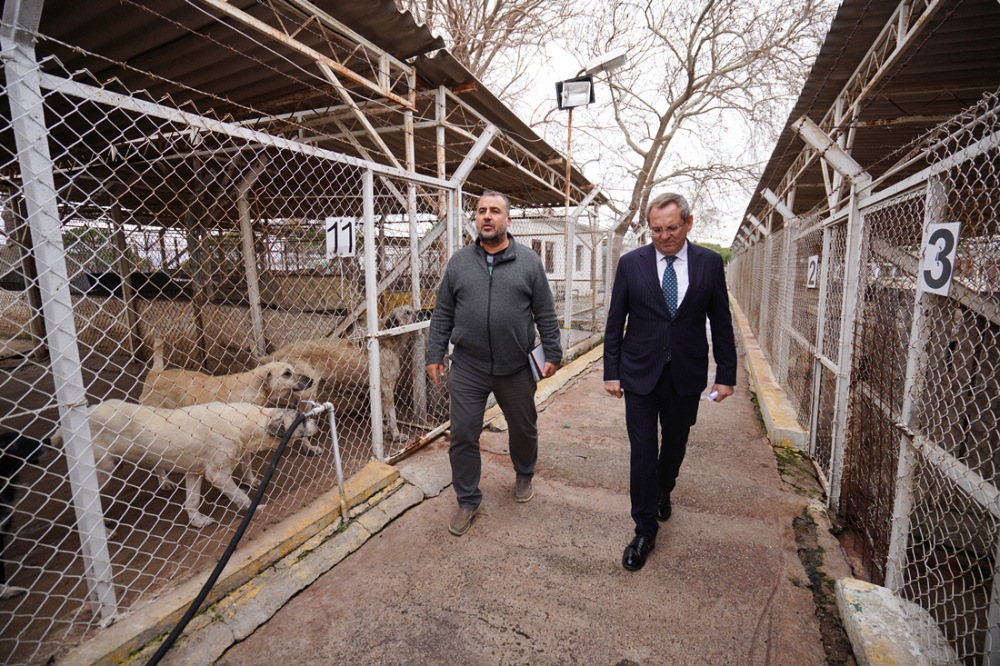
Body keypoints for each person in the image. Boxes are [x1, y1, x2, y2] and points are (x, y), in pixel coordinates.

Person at [603, 192, 737, 571]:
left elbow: (721, 320)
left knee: (674, 445)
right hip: (640, 373)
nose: (663, 236)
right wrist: (610, 371)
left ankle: (664, 489)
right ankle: (644, 529)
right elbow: (616, 321)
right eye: (656, 229)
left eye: (671, 228)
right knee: (642, 452)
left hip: (685, 373)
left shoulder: (709, 263)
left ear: (689, 223)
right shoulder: (632, 263)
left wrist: (726, 373)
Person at [427, 191, 562, 537]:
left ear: (508, 220)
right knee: (462, 435)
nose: (487, 216)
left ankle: (523, 472)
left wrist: (554, 353)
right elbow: (442, 312)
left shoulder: (529, 262)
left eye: (495, 211)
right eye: (482, 211)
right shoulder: (459, 262)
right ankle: (468, 499)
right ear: (476, 218)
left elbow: (545, 312)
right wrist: (434, 354)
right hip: (469, 365)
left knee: (523, 428)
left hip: (516, 366)